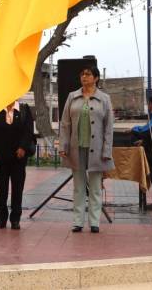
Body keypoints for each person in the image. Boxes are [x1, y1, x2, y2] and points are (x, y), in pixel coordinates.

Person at [59, 66, 115, 233]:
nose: (84, 76)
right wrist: (63, 145)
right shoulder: (72, 96)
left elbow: (108, 127)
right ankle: (77, 221)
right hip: (77, 149)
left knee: (96, 187)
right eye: (82, 74)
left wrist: (106, 151)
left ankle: (95, 221)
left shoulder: (104, 99)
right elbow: (65, 123)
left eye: (88, 74)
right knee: (78, 187)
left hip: (96, 150)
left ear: (96, 78)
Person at [0, 99, 35, 229]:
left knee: (17, 188)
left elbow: (29, 132)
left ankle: (15, 218)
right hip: (0, 157)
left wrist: (23, 147)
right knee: (2, 189)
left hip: (18, 157)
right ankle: (1, 218)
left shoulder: (24, 109)